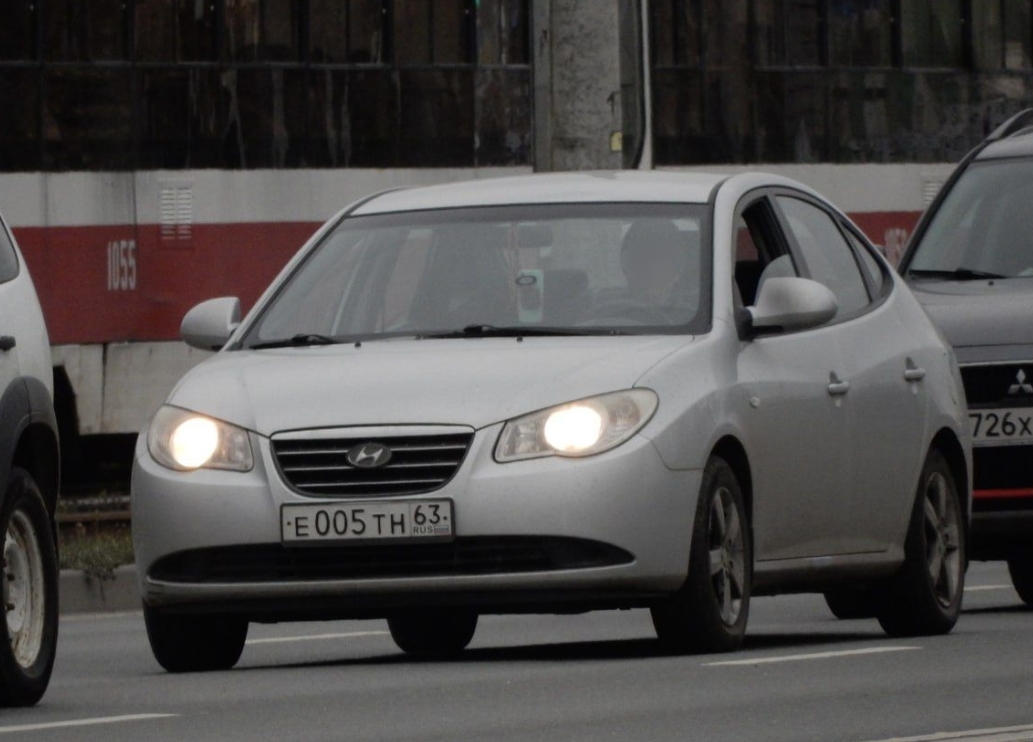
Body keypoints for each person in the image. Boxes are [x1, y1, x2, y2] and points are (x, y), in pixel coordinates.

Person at [619, 219, 691, 305]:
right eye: (641, 267)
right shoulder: (604, 310)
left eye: (657, 268)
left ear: (677, 274)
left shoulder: (703, 313)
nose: (649, 287)